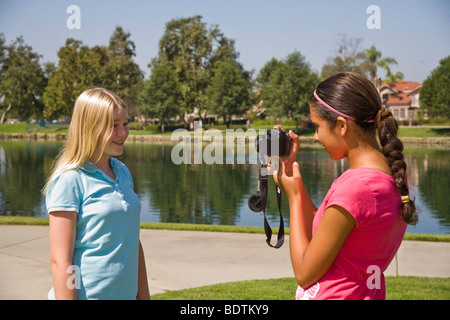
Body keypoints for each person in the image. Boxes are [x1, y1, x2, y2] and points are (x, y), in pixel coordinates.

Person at [271, 72, 418, 300]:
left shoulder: (358, 188)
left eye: (317, 127)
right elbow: (326, 233)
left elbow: (304, 273)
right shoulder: (388, 177)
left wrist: (294, 199)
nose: (316, 137)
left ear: (341, 125)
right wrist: (293, 181)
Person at [43, 87, 150, 300]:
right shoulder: (70, 180)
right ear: (90, 128)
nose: (124, 133)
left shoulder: (122, 172)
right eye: (113, 126)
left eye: (125, 124)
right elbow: (61, 261)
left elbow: (132, 242)